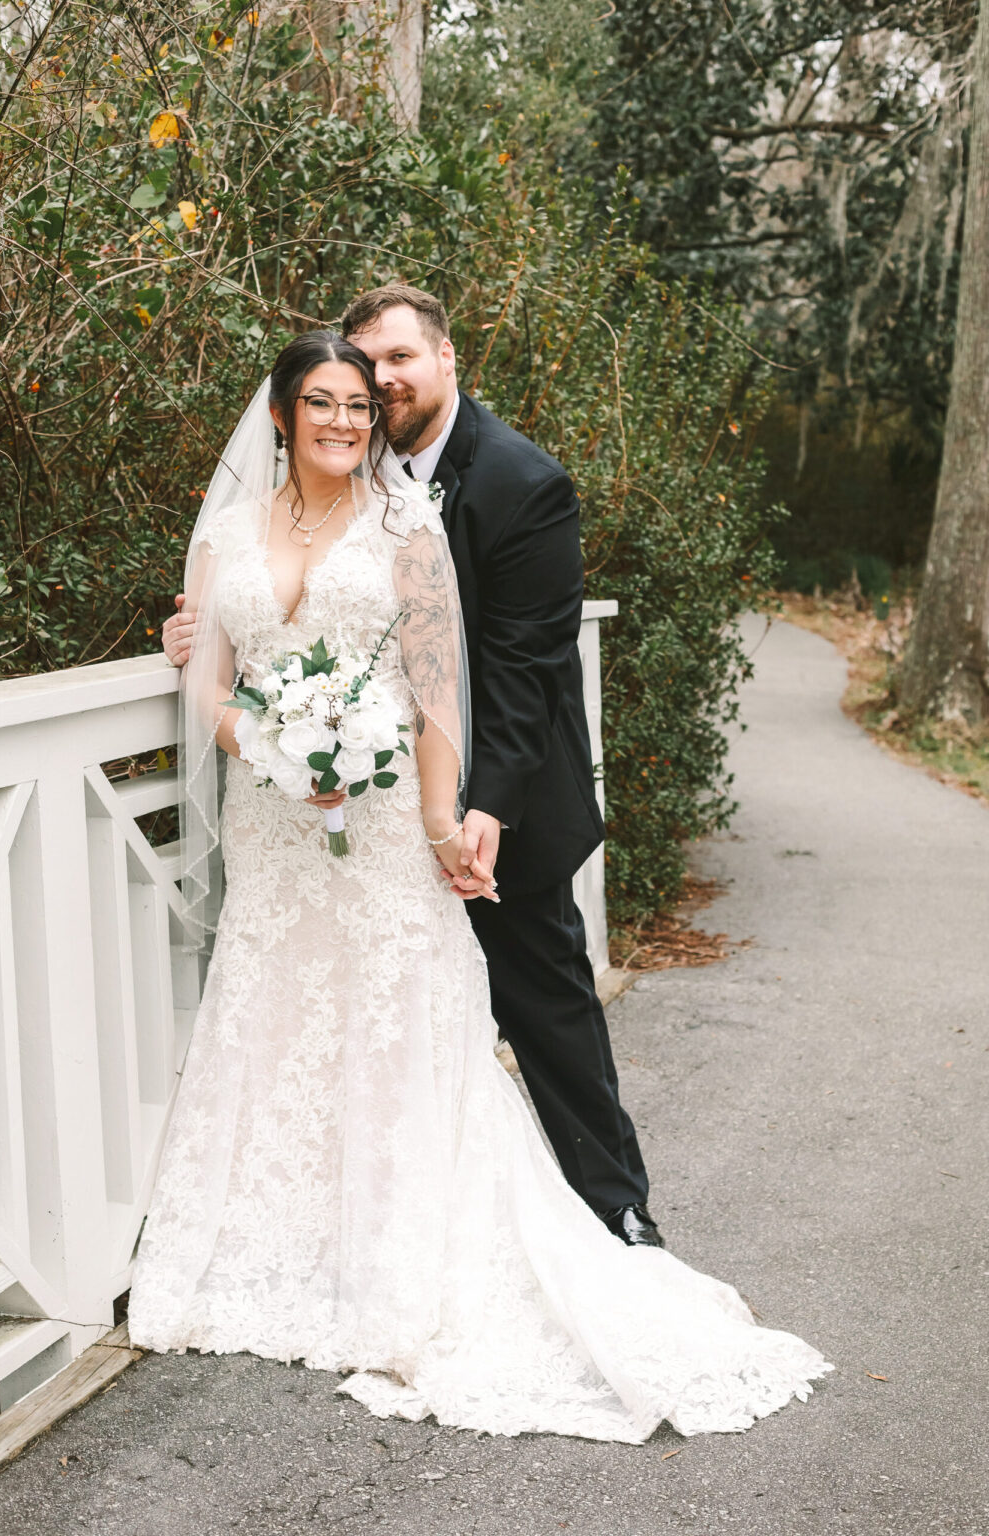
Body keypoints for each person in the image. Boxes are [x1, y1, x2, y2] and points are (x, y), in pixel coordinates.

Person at [130, 330, 831, 1440]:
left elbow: (440, 693)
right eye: (321, 402)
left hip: (386, 825)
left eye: (360, 404)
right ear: (279, 415)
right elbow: (208, 681)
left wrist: (442, 824)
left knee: (407, 1025)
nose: (345, 422)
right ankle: (285, 1252)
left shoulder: (410, 526)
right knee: (277, 1022)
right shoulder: (222, 535)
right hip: (277, 829)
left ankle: (486, 1245)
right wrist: (268, 741)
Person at [164, 285, 657, 1245]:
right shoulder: (312, 473)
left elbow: (524, 669)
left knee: (540, 1000)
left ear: (445, 358)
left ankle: (616, 1207)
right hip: (310, 805)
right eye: (360, 367)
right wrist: (202, 634)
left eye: (396, 361)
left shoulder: (522, 482)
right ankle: (333, 1222)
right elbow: (263, 602)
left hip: (499, 793)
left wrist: (479, 811)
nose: (376, 384)